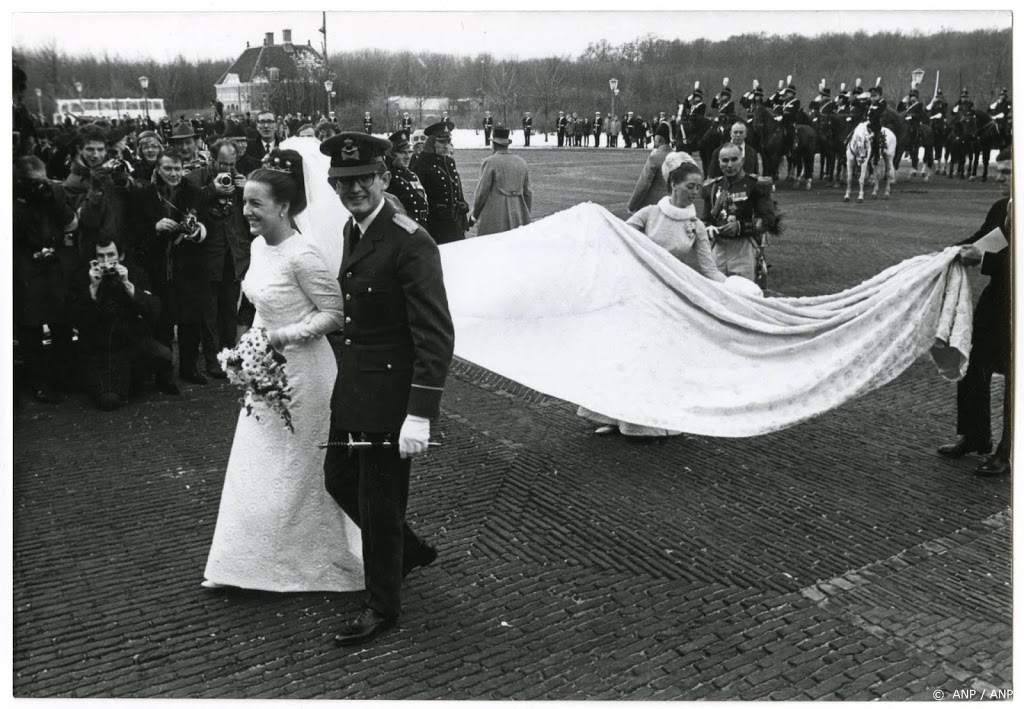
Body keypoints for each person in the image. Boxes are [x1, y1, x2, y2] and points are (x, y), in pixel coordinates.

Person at [202, 145, 364, 592]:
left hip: (306, 376)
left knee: (300, 467)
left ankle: (306, 559)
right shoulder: (258, 247)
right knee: (258, 463)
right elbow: (261, 305)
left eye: (256, 203)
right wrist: (250, 347)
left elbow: (335, 315)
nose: (246, 211)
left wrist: (281, 337)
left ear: (284, 207)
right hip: (266, 371)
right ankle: (244, 564)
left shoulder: (302, 256)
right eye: (244, 202)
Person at [319, 132, 455, 646]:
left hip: (390, 397)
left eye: (363, 179)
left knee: (378, 502)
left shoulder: (411, 241)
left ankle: (382, 605)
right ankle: (408, 550)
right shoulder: (355, 229)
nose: (353, 189)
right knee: (337, 478)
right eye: (343, 182)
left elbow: (435, 334)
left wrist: (420, 411)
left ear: (383, 177)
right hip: (356, 386)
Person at [579, 152, 725, 438]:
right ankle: (611, 415)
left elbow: (710, 269)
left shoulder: (696, 226)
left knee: (659, 358)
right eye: (690, 186)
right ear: (673, 184)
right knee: (627, 354)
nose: (695, 193)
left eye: (698, 187)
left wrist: (734, 289)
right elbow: (618, 238)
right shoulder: (649, 214)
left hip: (670, 300)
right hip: (638, 295)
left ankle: (647, 420)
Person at [938, 149, 1012, 477]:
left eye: (1007, 173)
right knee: (973, 363)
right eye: (999, 171)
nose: (998, 178)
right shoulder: (1002, 207)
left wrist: (982, 259)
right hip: (996, 301)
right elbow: (983, 241)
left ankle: (1007, 451)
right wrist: (948, 254)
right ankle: (975, 435)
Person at [72, 238, 177, 409]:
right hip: (101, 351)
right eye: (101, 256)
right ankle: (114, 384)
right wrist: (93, 290)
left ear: (121, 256)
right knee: (110, 401)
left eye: (110, 255)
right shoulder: (85, 277)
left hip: (130, 343)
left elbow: (154, 311)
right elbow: (79, 321)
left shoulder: (134, 273)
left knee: (164, 355)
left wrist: (129, 286)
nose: (106, 261)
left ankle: (131, 380)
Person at [14, 155, 77, 402]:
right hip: (25, 264)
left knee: (61, 320)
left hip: (53, 261)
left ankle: (63, 376)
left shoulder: (54, 192)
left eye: (42, 180)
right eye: (33, 182)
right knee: (30, 326)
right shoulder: (13, 200)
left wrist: (53, 198)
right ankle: (39, 381)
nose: (39, 186)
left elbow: (71, 223)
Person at [700, 142, 779, 282]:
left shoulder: (755, 185)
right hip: (718, 248)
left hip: (745, 247)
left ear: (742, 161)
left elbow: (768, 220)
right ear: (719, 163)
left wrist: (740, 227)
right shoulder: (713, 186)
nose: (729, 165)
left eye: (734, 159)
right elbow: (705, 219)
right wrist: (709, 229)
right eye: (725, 160)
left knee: (744, 291)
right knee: (716, 290)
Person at [413, 121, 470, 244]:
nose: (446, 146)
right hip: (435, 223)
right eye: (442, 142)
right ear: (432, 143)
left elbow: (456, 189)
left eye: (448, 142)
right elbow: (418, 197)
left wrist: (462, 210)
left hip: (454, 221)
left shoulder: (449, 162)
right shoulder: (423, 163)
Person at [472, 126, 532, 236]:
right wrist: (525, 214)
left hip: (494, 216)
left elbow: (481, 193)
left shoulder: (490, 162)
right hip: (518, 214)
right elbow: (528, 193)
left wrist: (474, 215)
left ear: (494, 144)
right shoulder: (521, 162)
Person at [385, 129, 430, 228]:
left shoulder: (410, 175)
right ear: (391, 155)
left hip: (420, 228)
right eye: (403, 153)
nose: (408, 157)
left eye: (409, 152)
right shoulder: (388, 180)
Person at [627, 122, 674, 213]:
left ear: (658, 138)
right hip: (672, 204)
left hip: (655, 205)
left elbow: (643, 184)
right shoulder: (677, 156)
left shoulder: (655, 157)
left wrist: (632, 205)